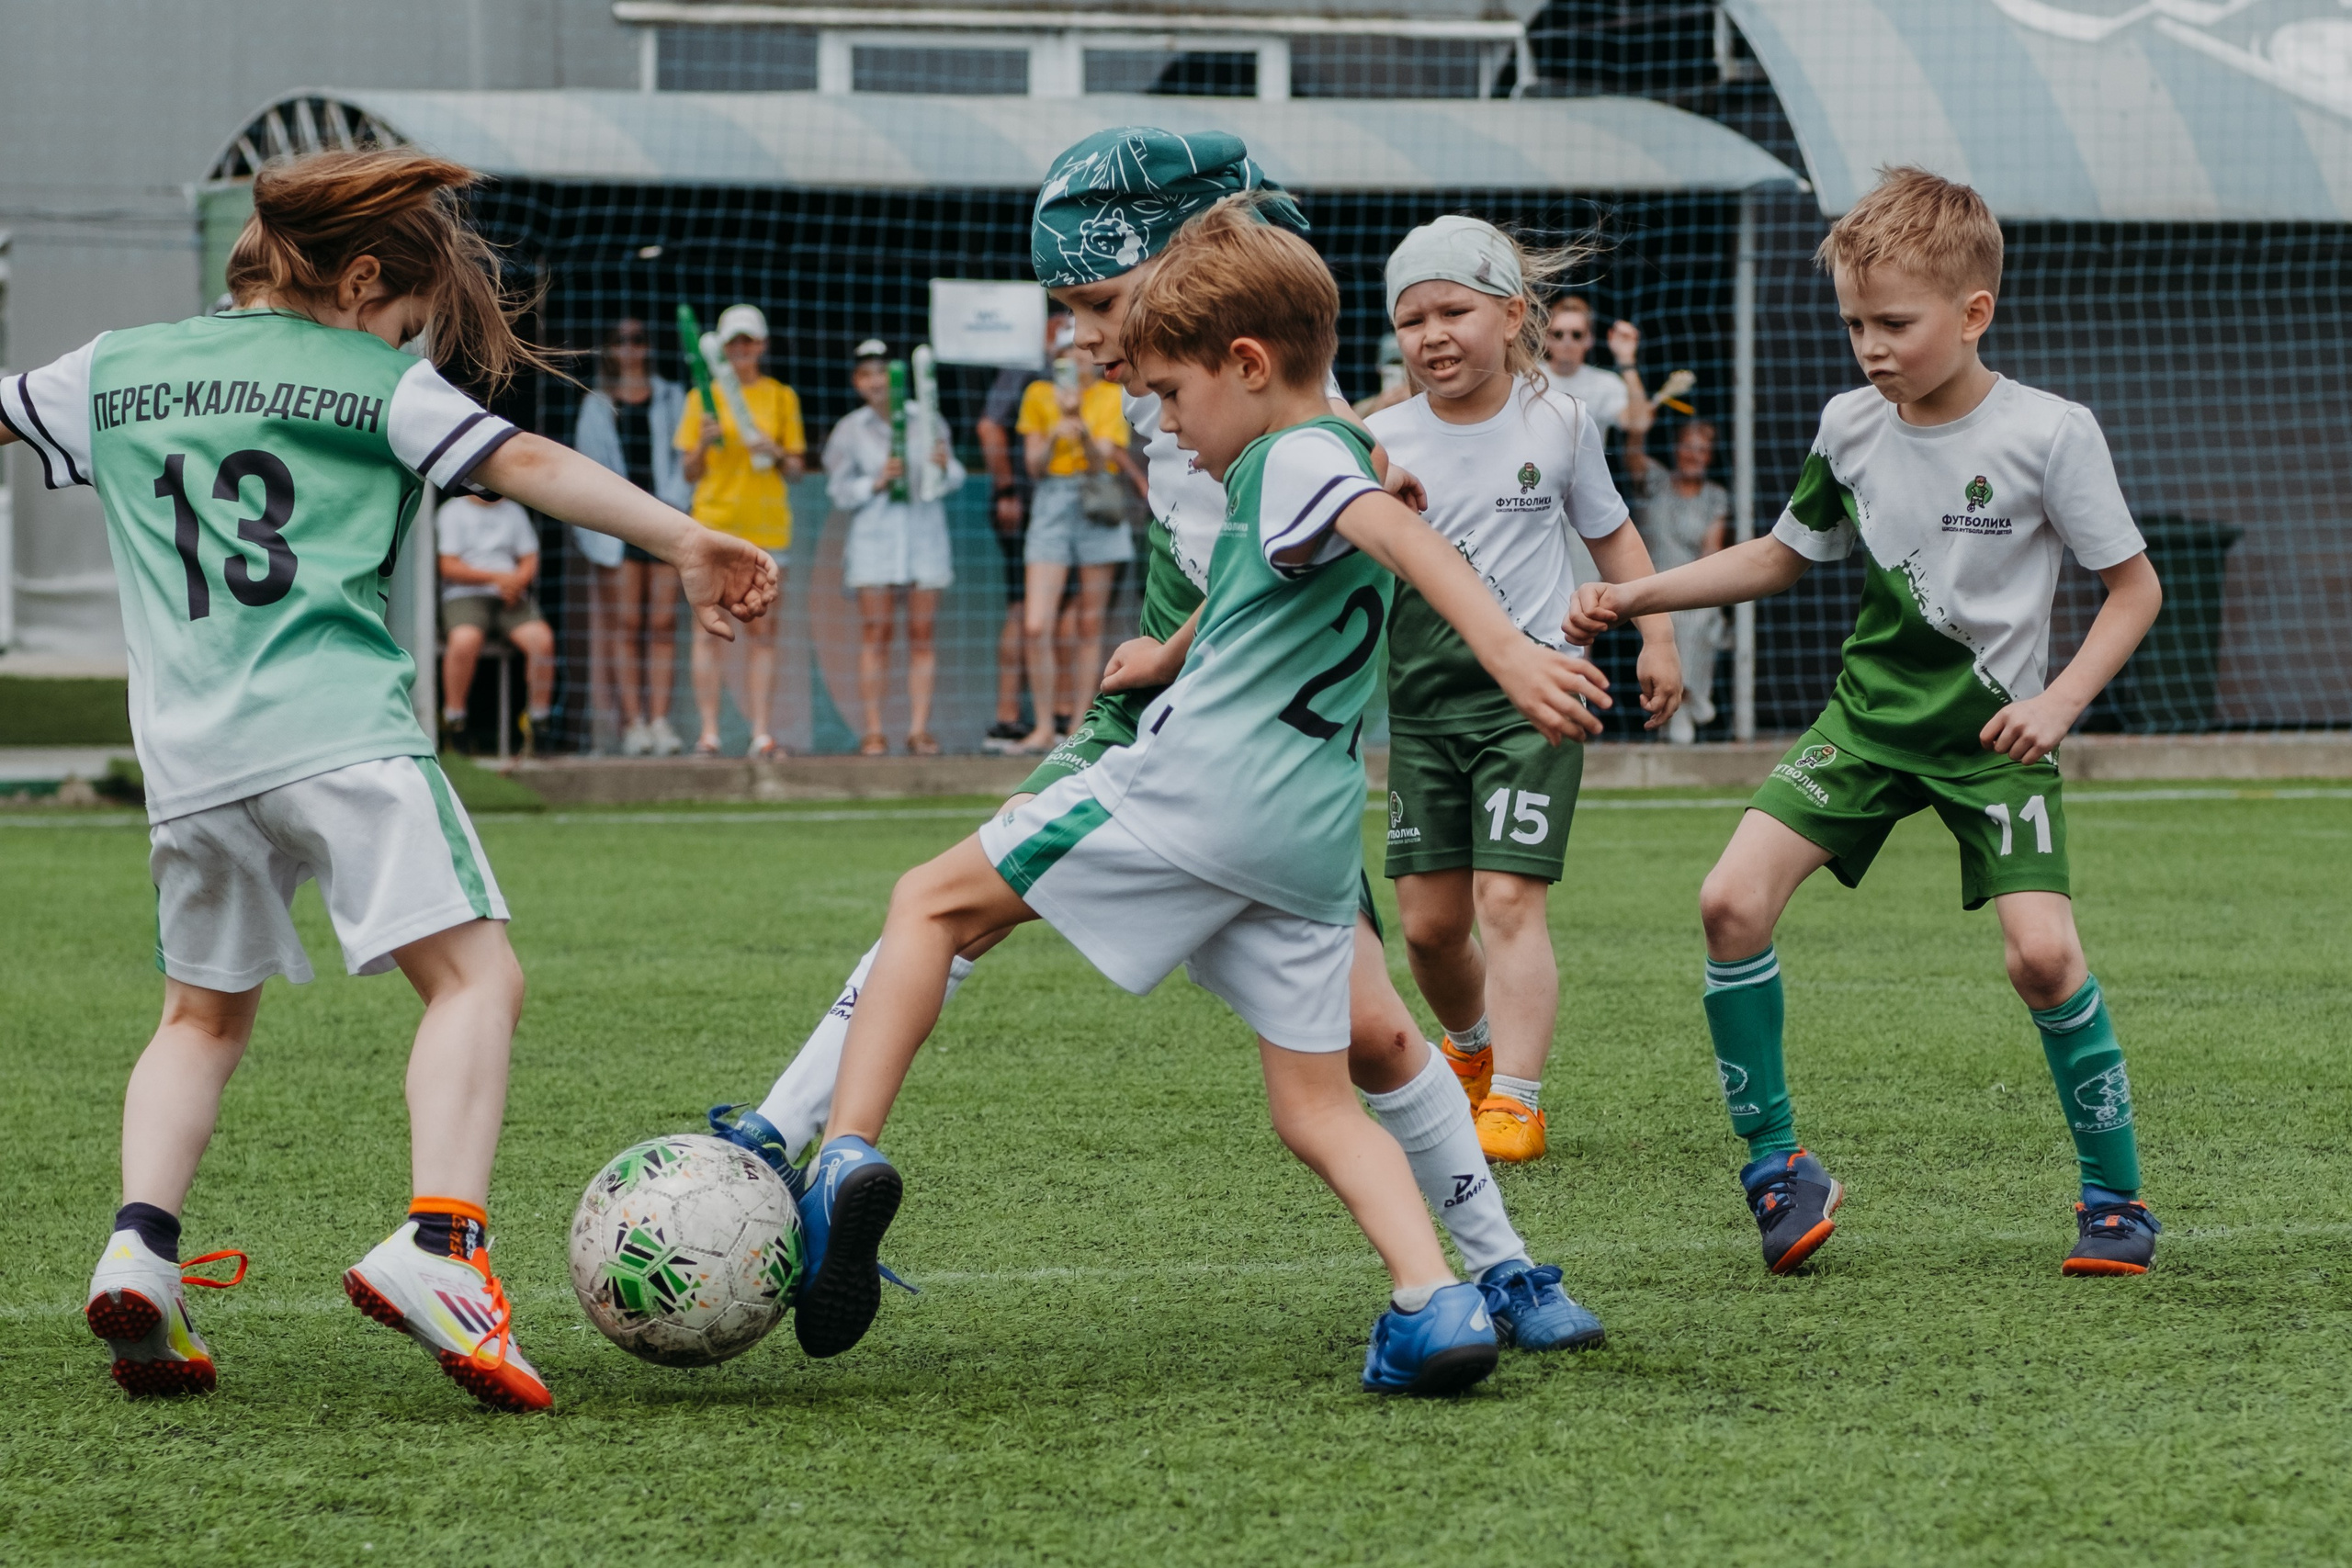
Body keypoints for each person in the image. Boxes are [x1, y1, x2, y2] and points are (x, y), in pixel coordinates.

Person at [717, 127, 1606, 1366]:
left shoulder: (1298, 435)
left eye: (1096, 309)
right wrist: (1176, 643)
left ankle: (808, 1149)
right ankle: (1455, 1288)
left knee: (938, 902)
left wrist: (1507, 649)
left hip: (1200, 769)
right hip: (1285, 791)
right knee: (1344, 1069)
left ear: (1227, 339)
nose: (1094, 349)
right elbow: (1282, 550)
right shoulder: (1305, 434)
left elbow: (1361, 528)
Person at [0, 149, 776, 1410]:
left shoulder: (111, 367)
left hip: (191, 764)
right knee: (478, 978)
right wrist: (685, 534)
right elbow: (527, 464)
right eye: (410, 318)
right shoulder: (377, 384)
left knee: (197, 1017)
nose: (410, 339)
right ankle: (443, 1244)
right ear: (362, 280)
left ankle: (139, 1243)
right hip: (337, 731)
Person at [1568, 167, 2165, 1278]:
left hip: (1994, 741)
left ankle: (2115, 1199)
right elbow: (1784, 556)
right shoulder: (1849, 424)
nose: (1870, 348)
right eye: (1854, 323)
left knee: (2041, 959)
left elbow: (2133, 589)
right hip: (1864, 724)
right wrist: (1638, 595)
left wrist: (2056, 704)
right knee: (1727, 902)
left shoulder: (2051, 433)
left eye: (1893, 323)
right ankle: (1776, 1171)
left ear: (1973, 313)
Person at [1369, 217, 1680, 1166]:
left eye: (1452, 310)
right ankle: (1469, 1052)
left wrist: (1654, 633)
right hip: (1420, 710)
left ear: (1511, 314)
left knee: (1507, 899)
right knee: (1427, 929)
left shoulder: (1560, 421)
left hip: (1536, 699)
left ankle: (1516, 1098)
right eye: (1410, 318)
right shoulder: (1377, 440)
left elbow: (1612, 534)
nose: (1431, 334)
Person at [676, 303, 806, 758]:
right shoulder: (700, 396)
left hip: (767, 527)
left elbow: (796, 469)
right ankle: (709, 734)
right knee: (706, 632)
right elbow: (689, 471)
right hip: (713, 525)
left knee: (763, 632)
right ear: (723, 347)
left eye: (748, 342)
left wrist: (776, 449)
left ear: (762, 346)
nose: (741, 350)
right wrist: (703, 444)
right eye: (734, 343)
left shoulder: (781, 397)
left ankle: (761, 734)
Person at [826, 339, 966, 754]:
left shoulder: (929, 418)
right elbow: (838, 491)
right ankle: (873, 730)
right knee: (877, 632)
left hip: (924, 538)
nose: (876, 381)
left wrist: (943, 467)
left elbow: (953, 476)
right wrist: (877, 481)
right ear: (857, 382)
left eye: (883, 372)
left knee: (922, 634)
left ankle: (918, 729)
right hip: (875, 541)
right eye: (867, 374)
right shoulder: (849, 430)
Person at [571, 317, 691, 756]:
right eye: (621, 340)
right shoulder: (597, 405)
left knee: (661, 624)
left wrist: (670, 508)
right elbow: (587, 468)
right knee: (625, 625)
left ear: (648, 347)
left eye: (639, 339)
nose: (631, 348)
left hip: (664, 519)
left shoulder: (673, 398)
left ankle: (660, 721)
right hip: (618, 526)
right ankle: (633, 724)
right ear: (610, 349)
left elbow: (684, 460)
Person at [1012, 340, 1139, 751]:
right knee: (1036, 624)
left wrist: (1079, 424)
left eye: (1080, 351)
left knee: (1089, 623)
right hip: (1051, 503)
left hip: (1096, 500)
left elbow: (1103, 460)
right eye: (1065, 353)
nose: (1075, 358)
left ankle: (1076, 728)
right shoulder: (1038, 395)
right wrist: (1055, 429)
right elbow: (1034, 466)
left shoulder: (1109, 395)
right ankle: (1044, 726)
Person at [975, 314, 1069, 751]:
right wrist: (1007, 489)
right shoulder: (1026, 366)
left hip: (1081, 509)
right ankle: (1008, 717)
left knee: (1072, 617)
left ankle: (1067, 716)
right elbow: (989, 425)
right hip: (1027, 505)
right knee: (1024, 612)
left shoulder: (1091, 361)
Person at [1624, 418, 1730, 744]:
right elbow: (1632, 454)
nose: (1694, 455)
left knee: (1701, 617)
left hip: (1688, 589)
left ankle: (1682, 702)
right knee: (1678, 623)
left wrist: (1701, 592)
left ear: (1710, 456)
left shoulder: (1715, 497)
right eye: (1688, 446)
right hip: (1648, 587)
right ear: (1675, 448)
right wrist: (1641, 420)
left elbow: (1712, 552)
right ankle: (1689, 699)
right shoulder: (1656, 481)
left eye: (1703, 449)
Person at [435, 491, 555, 754]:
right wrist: (496, 578)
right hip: (463, 594)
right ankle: (455, 721)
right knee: (466, 640)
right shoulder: (451, 511)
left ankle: (538, 722)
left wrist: (515, 583)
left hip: (510, 595)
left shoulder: (514, 511)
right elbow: (448, 565)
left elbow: (529, 559)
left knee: (542, 641)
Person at [1543, 295, 1652, 435]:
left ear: (1589, 339)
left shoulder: (1605, 383)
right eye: (1558, 334)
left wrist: (1627, 360)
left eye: (1576, 335)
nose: (1567, 341)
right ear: (1546, 337)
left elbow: (1639, 424)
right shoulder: (1527, 376)